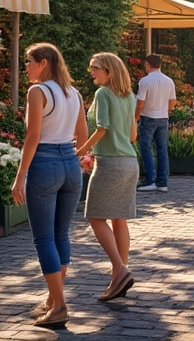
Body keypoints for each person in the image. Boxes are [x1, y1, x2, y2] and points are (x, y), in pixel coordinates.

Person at [12, 42, 87, 330]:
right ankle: (53, 300)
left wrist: (20, 177)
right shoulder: (74, 92)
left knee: (43, 239)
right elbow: (82, 136)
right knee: (60, 235)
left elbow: (32, 136)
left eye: (29, 62)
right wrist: (74, 160)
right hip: (70, 164)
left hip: (44, 163)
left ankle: (59, 305)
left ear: (43, 62)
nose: (27, 68)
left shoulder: (38, 91)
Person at [75, 53, 138, 302]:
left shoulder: (103, 94)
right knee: (119, 219)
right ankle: (118, 276)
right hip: (130, 162)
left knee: (94, 216)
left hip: (110, 164)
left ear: (109, 71)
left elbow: (102, 129)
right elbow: (132, 136)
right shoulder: (129, 96)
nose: (92, 72)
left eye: (95, 68)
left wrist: (80, 152)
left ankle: (120, 270)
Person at [134, 55, 177, 193]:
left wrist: (135, 118)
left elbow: (140, 102)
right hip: (163, 117)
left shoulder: (145, 81)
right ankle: (162, 182)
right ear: (160, 65)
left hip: (148, 116)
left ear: (147, 64)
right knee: (162, 149)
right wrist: (167, 111)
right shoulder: (169, 81)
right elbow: (172, 101)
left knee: (146, 148)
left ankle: (149, 180)